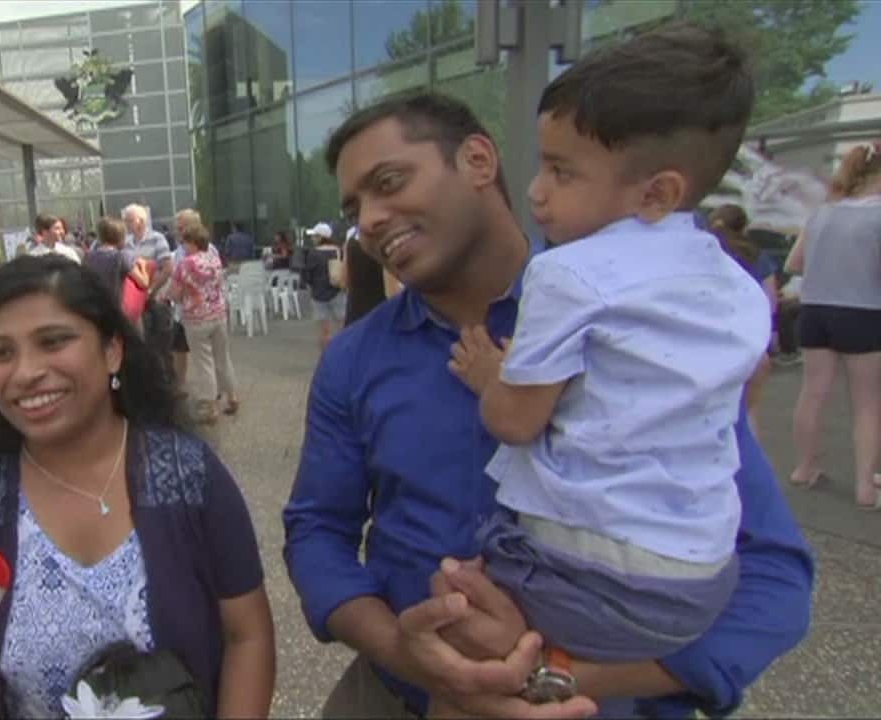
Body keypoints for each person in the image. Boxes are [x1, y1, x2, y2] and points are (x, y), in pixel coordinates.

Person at [283, 87, 812, 718]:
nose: (368, 219)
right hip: (405, 694)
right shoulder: (354, 360)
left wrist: (552, 677)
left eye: (389, 181)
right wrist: (408, 653)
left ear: (478, 162)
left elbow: (774, 580)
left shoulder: (643, 328)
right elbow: (317, 533)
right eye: (355, 205)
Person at [443, 25, 770, 699]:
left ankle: (537, 678)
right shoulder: (734, 281)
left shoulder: (569, 274)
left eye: (563, 173)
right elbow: (748, 386)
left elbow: (516, 421)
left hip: (596, 580)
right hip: (703, 579)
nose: (535, 192)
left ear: (657, 193)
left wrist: (487, 376)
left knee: (451, 603)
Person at [0, 255, 275, 718]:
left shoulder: (189, 475)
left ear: (112, 351)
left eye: (53, 341)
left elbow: (248, 635)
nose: (26, 372)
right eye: (1, 352)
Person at [784, 140, 881, 509]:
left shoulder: (823, 213)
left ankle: (804, 468)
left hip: (815, 311)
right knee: (867, 404)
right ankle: (864, 488)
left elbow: (794, 263)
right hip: (864, 312)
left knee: (812, 393)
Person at [709, 204, 779, 437]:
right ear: (744, 227)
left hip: (712, 336)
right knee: (748, 411)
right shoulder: (756, 255)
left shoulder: (705, 253)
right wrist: (771, 332)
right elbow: (770, 301)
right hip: (750, 339)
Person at [169, 222, 239, 423]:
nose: (183, 246)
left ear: (193, 242)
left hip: (196, 318)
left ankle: (210, 407)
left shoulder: (185, 264)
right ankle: (233, 397)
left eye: (185, 242)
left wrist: (181, 296)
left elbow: (174, 294)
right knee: (222, 357)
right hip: (218, 314)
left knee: (203, 362)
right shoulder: (215, 259)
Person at [124, 204, 175, 382]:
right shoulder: (126, 243)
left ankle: (170, 386)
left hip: (156, 299)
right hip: (135, 303)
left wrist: (151, 291)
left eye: (129, 220)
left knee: (163, 344)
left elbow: (167, 268)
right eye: (125, 220)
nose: (126, 224)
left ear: (141, 221)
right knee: (143, 343)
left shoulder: (157, 239)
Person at [301, 223, 347, 350]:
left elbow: (308, 275)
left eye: (315, 236)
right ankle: (345, 351)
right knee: (343, 326)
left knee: (324, 330)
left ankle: (326, 356)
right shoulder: (339, 251)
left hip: (318, 294)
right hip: (337, 290)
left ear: (321, 237)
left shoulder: (313, 254)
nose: (313, 239)